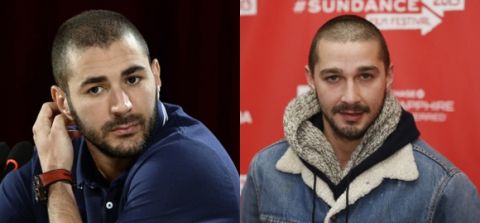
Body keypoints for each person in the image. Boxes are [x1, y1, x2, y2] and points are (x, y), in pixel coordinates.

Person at [0, 10, 239, 223]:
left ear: (156, 76)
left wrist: (57, 181)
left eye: (133, 79)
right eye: (96, 89)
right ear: (63, 102)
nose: (122, 105)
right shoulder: (55, 157)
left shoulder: (187, 162)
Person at [241, 14, 480, 223]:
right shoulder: (265, 172)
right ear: (311, 79)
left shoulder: (444, 187)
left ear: (388, 76)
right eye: (333, 78)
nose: (350, 96)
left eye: (365, 76)